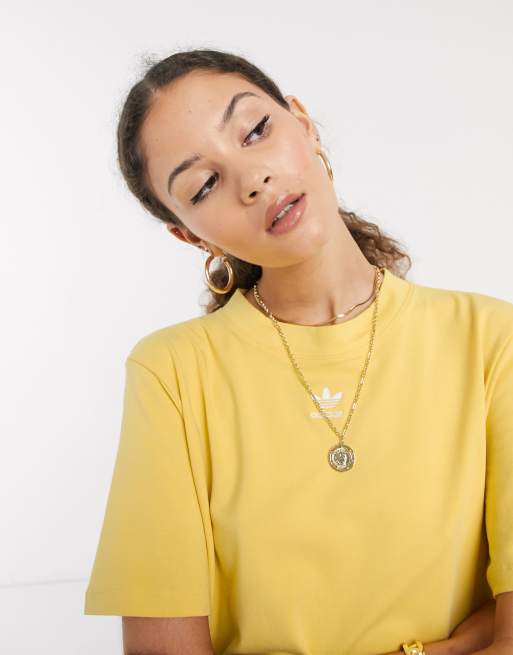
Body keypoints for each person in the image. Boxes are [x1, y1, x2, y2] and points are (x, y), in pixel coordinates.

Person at [83, 48, 513, 655]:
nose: (252, 180)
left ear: (303, 123)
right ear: (190, 235)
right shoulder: (171, 373)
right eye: (204, 185)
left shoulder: (491, 339)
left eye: (255, 130)